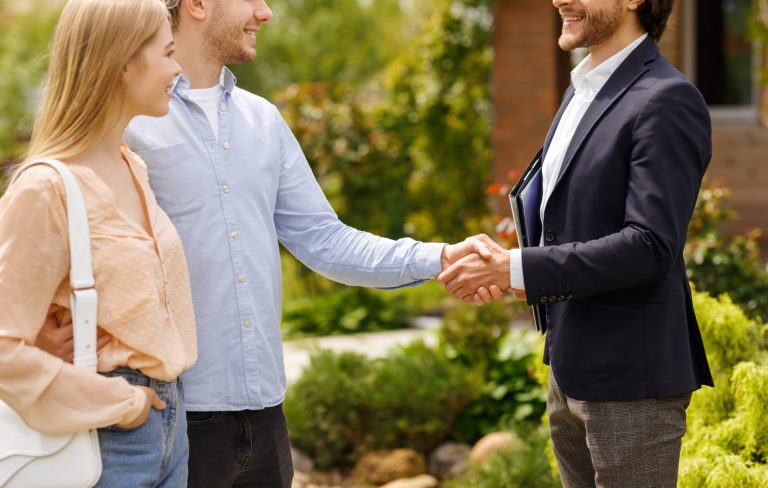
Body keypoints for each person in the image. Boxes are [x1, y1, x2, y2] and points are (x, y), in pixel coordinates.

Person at [32, 0, 494, 487]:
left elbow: (324, 240)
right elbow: (52, 229)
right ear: (198, 5)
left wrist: (439, 256)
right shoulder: (126, 119)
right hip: (166, 415)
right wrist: (37, 328)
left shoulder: (263, 120)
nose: (266, 12)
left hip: (266, 416)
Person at [439, 0, 714, 486]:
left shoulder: (666, 98)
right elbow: (572, 222)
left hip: (631, 380)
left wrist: (516, 268)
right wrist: (522, 273)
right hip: (568, 366)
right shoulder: (584, 88)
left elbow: (650, 245)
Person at [0, 0, 197, 486]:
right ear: (123, 62)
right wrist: (123, 405)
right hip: (104, 438)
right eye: (168, 53)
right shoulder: (44, 187)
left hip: (172, 425)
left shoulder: (134, 166)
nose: (178, 68)